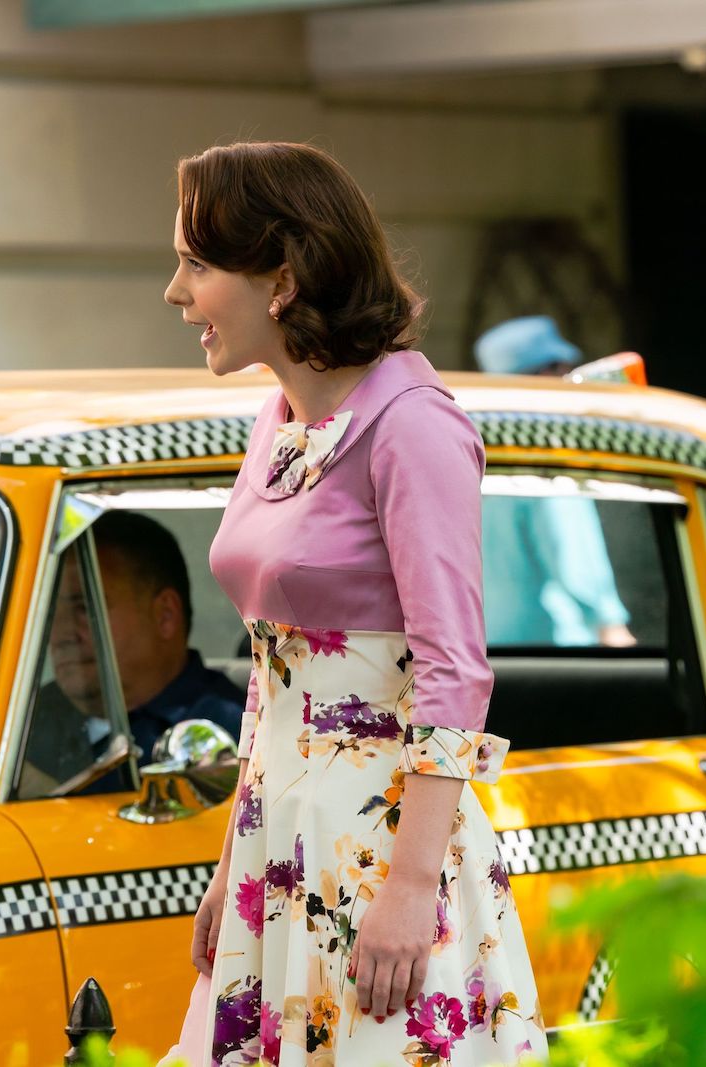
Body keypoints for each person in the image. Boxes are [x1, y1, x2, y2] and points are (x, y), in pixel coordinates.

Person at [160, 143, 546, 1066]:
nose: (176, 292)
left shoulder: (412, 425)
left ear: (282, 278)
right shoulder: (278, 420)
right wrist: (231, 868)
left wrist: (413, 886)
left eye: (196, 264)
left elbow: (455, 670)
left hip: (382, 844)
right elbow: (272, 665)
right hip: (278, 840)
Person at [22, 513, 246, 795]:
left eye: (86, 608)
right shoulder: (26, 720)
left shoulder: (230, 731)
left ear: (165, 615)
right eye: (54, 610)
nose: (62, 633)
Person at [474, 316, 636, 648]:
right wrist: (611, 625)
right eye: (557, 370)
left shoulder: (476, 460)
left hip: (490, 653)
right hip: (557, 656)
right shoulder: (546, 467)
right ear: (539, 378)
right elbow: (577, 562)